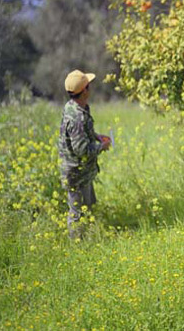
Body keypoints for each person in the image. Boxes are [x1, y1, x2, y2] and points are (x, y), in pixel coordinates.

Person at [58, 69, 111, 239]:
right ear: (85, 91)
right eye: (89, 85)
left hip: (82, 170)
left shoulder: (73, 107)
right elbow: (82, 150)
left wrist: (96, 136)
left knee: (87, 206)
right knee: (76, 213)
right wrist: (101, 146)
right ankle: (76, 248)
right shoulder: (78, 118)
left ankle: (88, 239)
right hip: (75, 172)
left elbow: (81, 136)